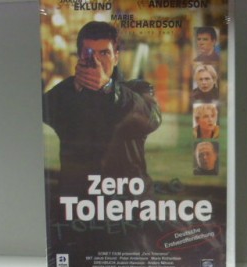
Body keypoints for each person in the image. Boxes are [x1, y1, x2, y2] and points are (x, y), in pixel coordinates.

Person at [43, 21, 162, 198]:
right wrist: (77, 86)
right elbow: (42, 110)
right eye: (90, 53)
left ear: (116, 57)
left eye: (104, 53)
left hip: (127, 200)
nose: (97, 60)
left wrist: (108, 87)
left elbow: (152, 119)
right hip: (80, 200)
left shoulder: (138, 89)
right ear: (80, 56)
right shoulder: (67, 92)